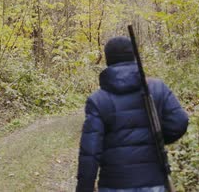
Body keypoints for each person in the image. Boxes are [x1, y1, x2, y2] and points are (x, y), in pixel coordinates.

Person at [76, 36, 189, 192]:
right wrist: (157, 139)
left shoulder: (98, 100)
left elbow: (90, 151)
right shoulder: (157, 88)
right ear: (133, 56)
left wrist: (84, 188)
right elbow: (179, 122)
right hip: (153, 182)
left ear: (108, 61)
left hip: (114, 184)